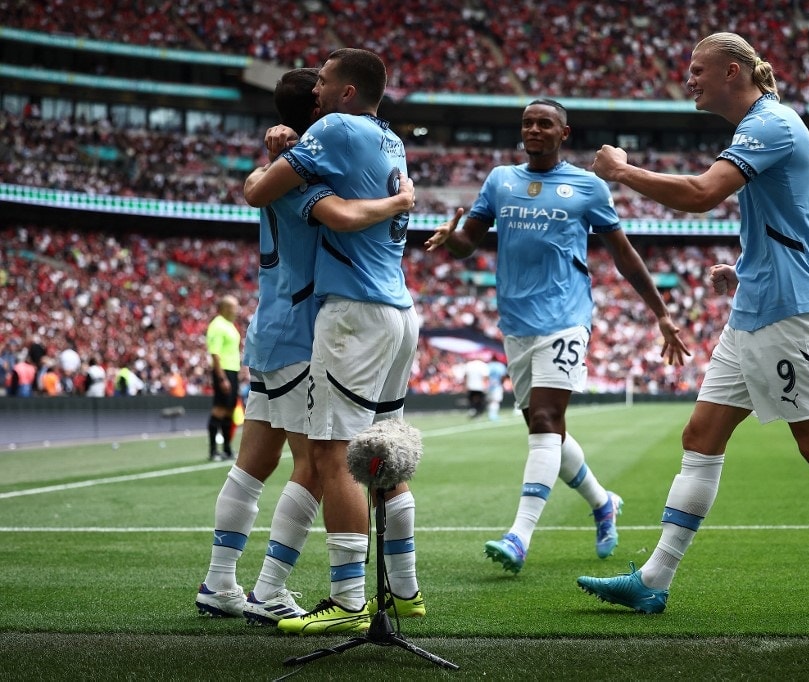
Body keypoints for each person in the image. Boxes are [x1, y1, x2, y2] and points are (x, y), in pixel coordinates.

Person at [576, 32, 809, 617]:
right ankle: (653, 580)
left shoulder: (770, 124)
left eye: (697, 68)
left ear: (734, 71)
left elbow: (704, 193)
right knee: (700, 437)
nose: (689, 78)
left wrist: (624, 172)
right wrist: (746, 268)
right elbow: (789, 220)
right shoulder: (758, 127)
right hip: (757, 305)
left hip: (784, 310)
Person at [425, 98, 690, 575]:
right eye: (527, 122)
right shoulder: (500, 180)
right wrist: (453, 238)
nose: (533, 129)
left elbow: (624, 255)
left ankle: (519, 536)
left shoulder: (587, 187)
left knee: (546, 418)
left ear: (563, 133)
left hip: (566, 317)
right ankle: (602, 501)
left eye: (544, 123)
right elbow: (470, 241)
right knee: (543, 427)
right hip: (516, 321)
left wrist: (661, 313)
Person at [197, 66, 416, 625]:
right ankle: (271, 589)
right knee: (317, 465)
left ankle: (220, 581)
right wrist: (398, 202)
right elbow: (341, 217)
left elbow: (254, 187)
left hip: (269, 323)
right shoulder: (304, 175)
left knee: (255, 461)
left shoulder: (279, 167)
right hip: (300, 328)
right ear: (317, 118)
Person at [206, 295, 242, 461]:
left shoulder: (229, 325)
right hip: (223, 371)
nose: (237, 310)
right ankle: (213, 451)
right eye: (234, 307)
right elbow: (215, 354)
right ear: (226, 308)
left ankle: (227, 449)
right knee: (219, 409)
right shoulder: (217, 326)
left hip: (232, 371)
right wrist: (222, 378)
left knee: (229, 411)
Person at [486, 352, 508, 421]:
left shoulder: (488, 365)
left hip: (489, 385)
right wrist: (502, 383)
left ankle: (491, 414)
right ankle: (493, 415)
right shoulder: (500, 365)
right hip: (497, 385)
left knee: (490, 401)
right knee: (495, 401)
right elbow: (503, 376)